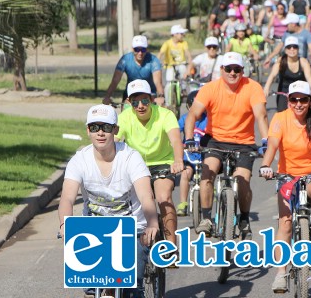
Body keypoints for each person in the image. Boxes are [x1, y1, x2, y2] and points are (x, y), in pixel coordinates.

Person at [58, 104, 159, 298]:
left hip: (132, 227)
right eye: (95, 127)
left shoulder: (131, 158)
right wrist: (64, 224)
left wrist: (152, 224)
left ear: (116, 130)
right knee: (89, 288)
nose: (101, 133)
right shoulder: (79, 160)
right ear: (88, 131)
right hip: (93, 229)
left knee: (132, 286)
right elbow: (67, 198)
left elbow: (146, 195)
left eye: (106, 127)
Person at [259, 81, 311, 293]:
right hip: (287, 175)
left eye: (303, 99)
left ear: (309, 101)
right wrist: (266, 165)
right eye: (294, 99)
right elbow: (273, 145)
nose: (299, 104)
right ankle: (280, 273)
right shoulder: (280, 118)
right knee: (285, 223)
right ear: (289, 101)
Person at [184, 52, 269, 238]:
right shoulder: (210, 88)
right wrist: (189, 138)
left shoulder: (253, 87)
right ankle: (206, 218)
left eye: (236, 69)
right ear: (221, 70)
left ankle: (244, 218)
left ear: (242, 71)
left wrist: (265, 141)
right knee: (208, 173)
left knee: (243, 180)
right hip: (215, 141)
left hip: (244, 143)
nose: (232, 73)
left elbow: (261, 115)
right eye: (228, 69)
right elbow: (192, 115)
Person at [115, 79, 185, 244]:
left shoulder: (165, 115)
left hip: (162, 163)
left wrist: (178, 160)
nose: (140, 106)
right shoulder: (124, 117)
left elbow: (176, 140)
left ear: (152, 100)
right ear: (128, 102)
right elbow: (114, 141)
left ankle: (171, 245)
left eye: (145, 101)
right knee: (135, 204)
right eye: (135, 102)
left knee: (164, 197)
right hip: (136, 166)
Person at [103, 35, 165, 106]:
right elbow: (115, 80)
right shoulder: (125, 59)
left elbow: (158, 82)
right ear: (132, 49)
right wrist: (107, 96)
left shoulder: (153, 60)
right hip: (130, 93)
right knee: (124, 112)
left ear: (147, 49)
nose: (140, 53)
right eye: (137, 50)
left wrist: (161, 97)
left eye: (143, 50)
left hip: (149, 93)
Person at [263, 36, 311, 112]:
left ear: (298, 49)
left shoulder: (303, 62)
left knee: (305, 112)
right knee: (281, 113)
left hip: (299, 91)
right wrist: (266, 89)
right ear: (285, 50)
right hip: (284, 91)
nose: (292, 49)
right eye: (289, 47)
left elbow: (309, 77)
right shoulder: (281, 61)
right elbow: (272, 75)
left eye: (294, 47)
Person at [176, 89, 207, 216]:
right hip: (189, 156)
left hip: (204, 155)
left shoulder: (208, 119)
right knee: (185, 174)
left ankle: (210, 192)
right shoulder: (184, 119)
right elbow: (176, 132)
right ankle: (183, 203)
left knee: (209, 174)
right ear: (188, 107)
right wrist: (179, 143)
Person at [159, 24, 192, 94]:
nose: (183, 35)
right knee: (169, 82)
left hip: (181, 64)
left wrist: (189, 66)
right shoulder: (167, 43)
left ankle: (183, 89)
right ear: (175, 34)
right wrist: (158, 62)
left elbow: (188, 55)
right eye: (181, 33)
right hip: (170, 65)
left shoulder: (183, 43)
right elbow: (161, 53)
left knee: (183, 72)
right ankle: (168, 99)